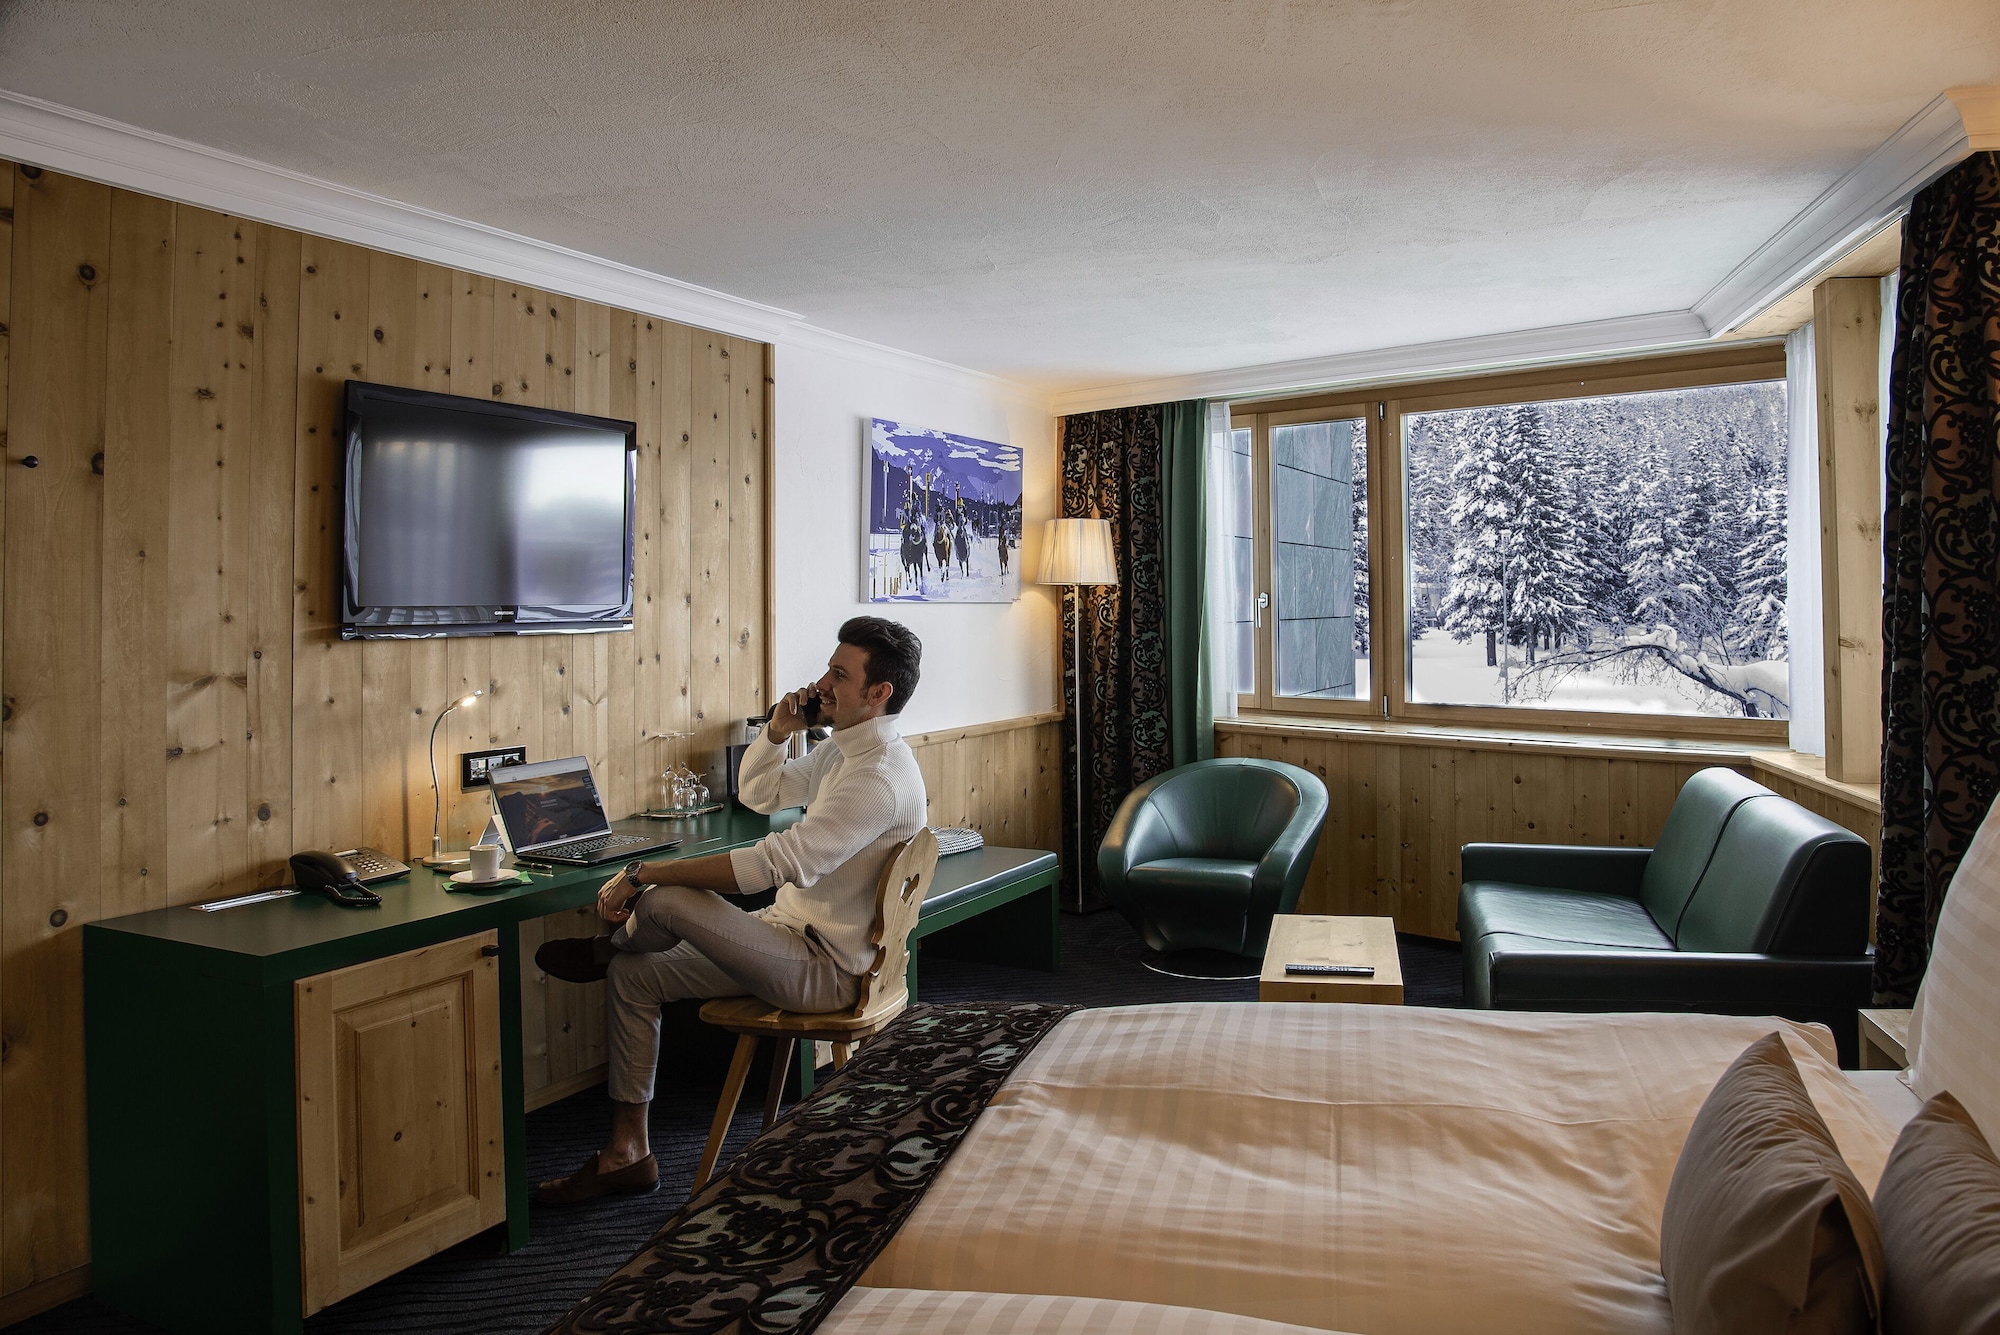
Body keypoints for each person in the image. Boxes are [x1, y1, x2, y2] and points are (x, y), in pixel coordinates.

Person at [530, 616, 927, 1204]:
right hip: (789, 936)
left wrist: (644, 871)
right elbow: (758, 795)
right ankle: (627, 1153)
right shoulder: (845, 752)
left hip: (830, 969)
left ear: (878, 694)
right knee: (634, 975)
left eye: (840, 676)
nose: (822, 683)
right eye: (828, 669)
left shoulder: (876, 777)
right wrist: (778, 731)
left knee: (665, 898)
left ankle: (604, 946)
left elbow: (772, 865)